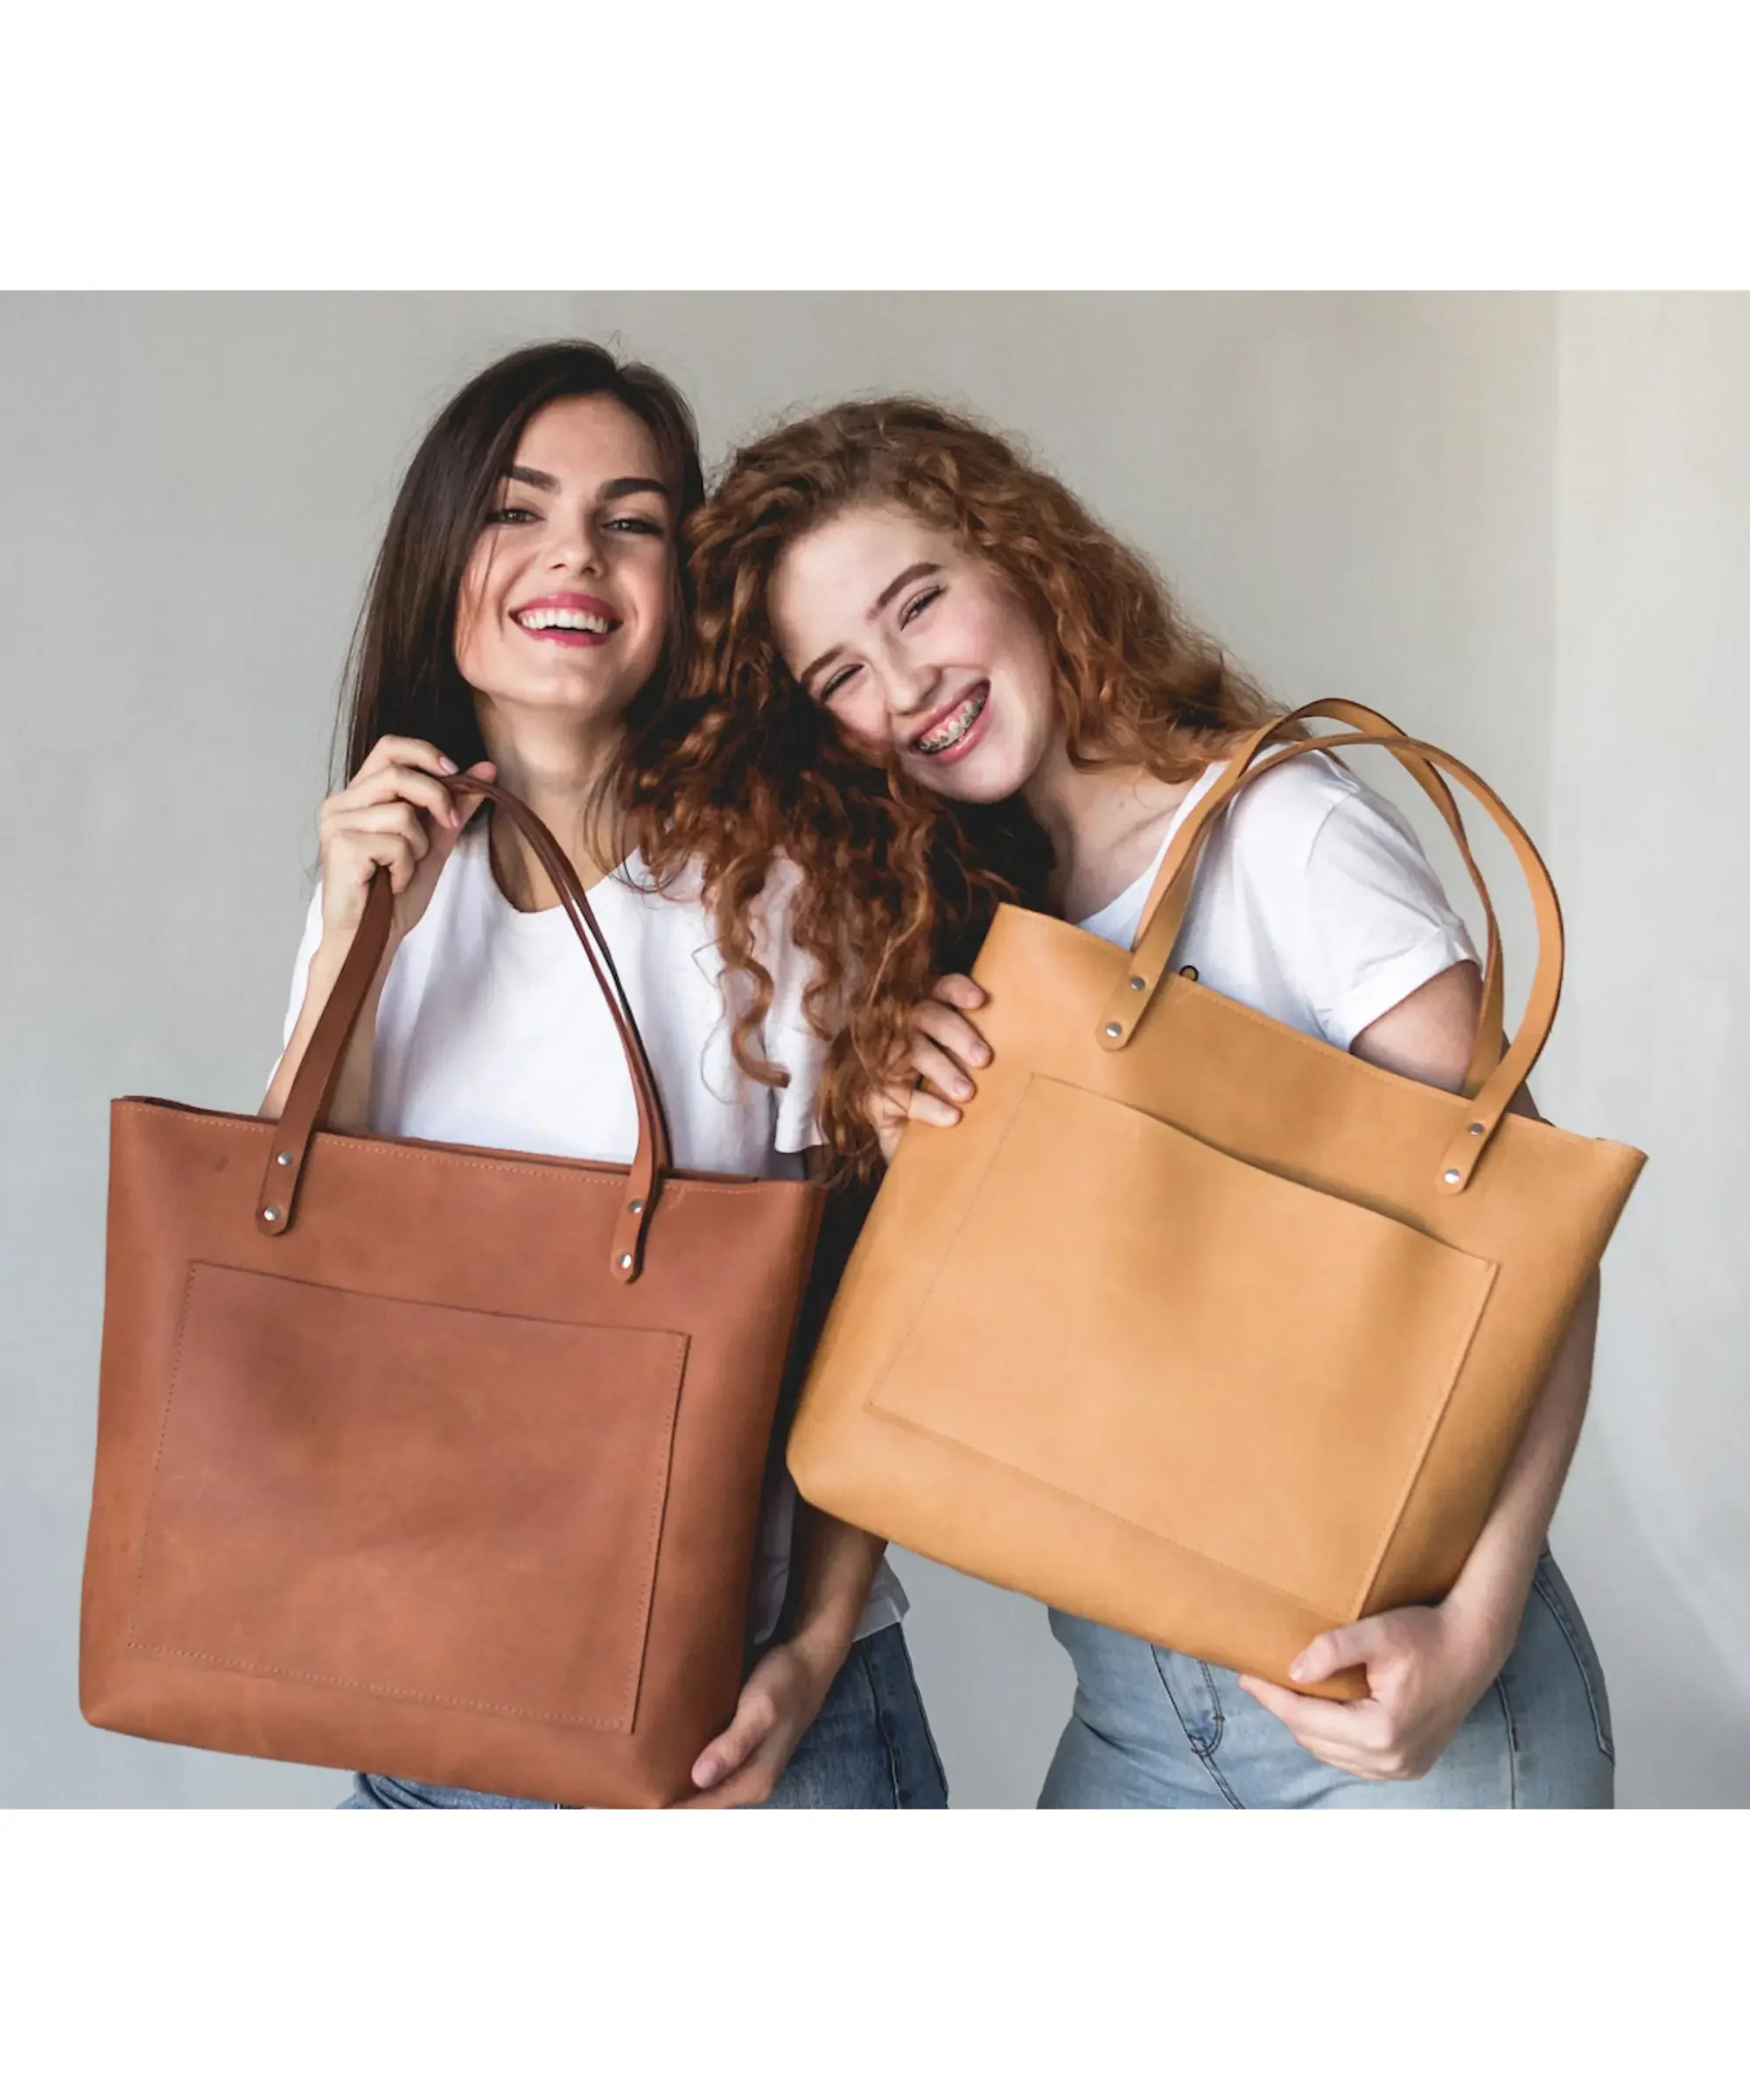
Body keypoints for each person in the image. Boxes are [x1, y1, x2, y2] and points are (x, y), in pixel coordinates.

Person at [650, 396, 1615, 1808]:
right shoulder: (959, 932)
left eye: (919, 603)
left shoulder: (1284, 832)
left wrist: (1469, 1636)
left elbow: (1538, 1265)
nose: (906, 685)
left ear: (1023, 560)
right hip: (1134, 1714)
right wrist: (909, 1130)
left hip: (1399, 1698)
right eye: (841, 673)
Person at [264, 345, 944, 1810]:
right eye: (517, 510)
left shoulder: (782, 885)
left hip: (745, 1713)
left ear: (681, 591)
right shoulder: (378, 883)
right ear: (442, 561)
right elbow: (277, 1270)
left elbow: (875, 1306)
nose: (574, 553)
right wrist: (355, 942)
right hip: (434, 1695)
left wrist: (813, 1649)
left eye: (630, 521)